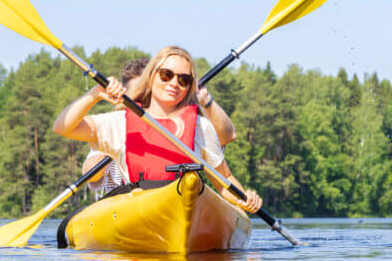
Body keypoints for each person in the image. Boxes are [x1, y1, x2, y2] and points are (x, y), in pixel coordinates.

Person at [53, 46, 262, 214]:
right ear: (151, 76)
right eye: (166, 75)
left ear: (190, 87)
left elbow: (224, 181)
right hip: (137, 208)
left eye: (184, 79)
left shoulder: (201, 127)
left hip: (184, 206)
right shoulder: (119, 122)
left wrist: (245, 200)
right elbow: (63, 127)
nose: (174, 83)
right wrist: (96, 93)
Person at [79, 57, 237, 195]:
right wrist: (111, 149)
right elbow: (90, 175)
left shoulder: (181, 123)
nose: (143, 99)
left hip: (176, 197)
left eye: (147, 92)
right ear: (124, 96)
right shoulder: (116, 125)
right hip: (124, 203)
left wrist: (206, 100)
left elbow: (226, 137)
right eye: (138, 94)